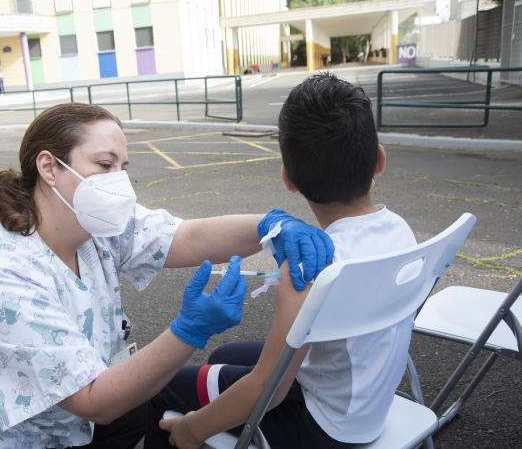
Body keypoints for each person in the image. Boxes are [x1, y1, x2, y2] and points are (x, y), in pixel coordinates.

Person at [0, 103, 333, 449]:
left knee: (145, 401)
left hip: (39, 419)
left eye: (124, 165)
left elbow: (188, 236)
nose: (119, 180)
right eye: (104, 164)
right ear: (49, 167)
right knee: (129, 404)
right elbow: (95, 401)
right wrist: (189, 331)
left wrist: (270, 226)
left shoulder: (94, 223)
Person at [148, 73, 419, 448]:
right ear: (379, 160)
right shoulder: (400, 230)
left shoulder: (308, 268)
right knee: (227, 354)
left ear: (288, 178)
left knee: (160, 391)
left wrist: (192, 430)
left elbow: (268, 389)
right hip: (367, 399)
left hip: (322, 426)